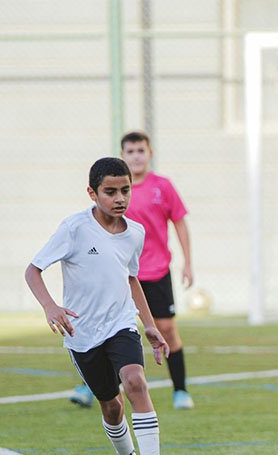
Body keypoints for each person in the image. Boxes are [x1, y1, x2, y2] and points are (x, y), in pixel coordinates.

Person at [26, 157, 171, 455]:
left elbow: (131, 278)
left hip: (120, 323)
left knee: (136, 381)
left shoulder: (135, 233)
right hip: (82, 332)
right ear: (92, 193)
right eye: (110, 192)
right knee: (111, 406)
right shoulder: (74, 229)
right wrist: (51, 306)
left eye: (125, 190)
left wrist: (148, 324)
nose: (119, 198)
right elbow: (33, 270)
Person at [70, 131, 195, 410]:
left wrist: (187, 261)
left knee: (166, 330)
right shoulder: (113, 188)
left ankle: (181, 390)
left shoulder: (162, 187)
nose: (136, 156)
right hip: (118, 274)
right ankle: (92, 386)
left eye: (141, 150)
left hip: (156, 271)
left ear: (149, 153)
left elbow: (180, 222)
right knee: (106, 329)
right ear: (122, 155)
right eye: (131, 151)